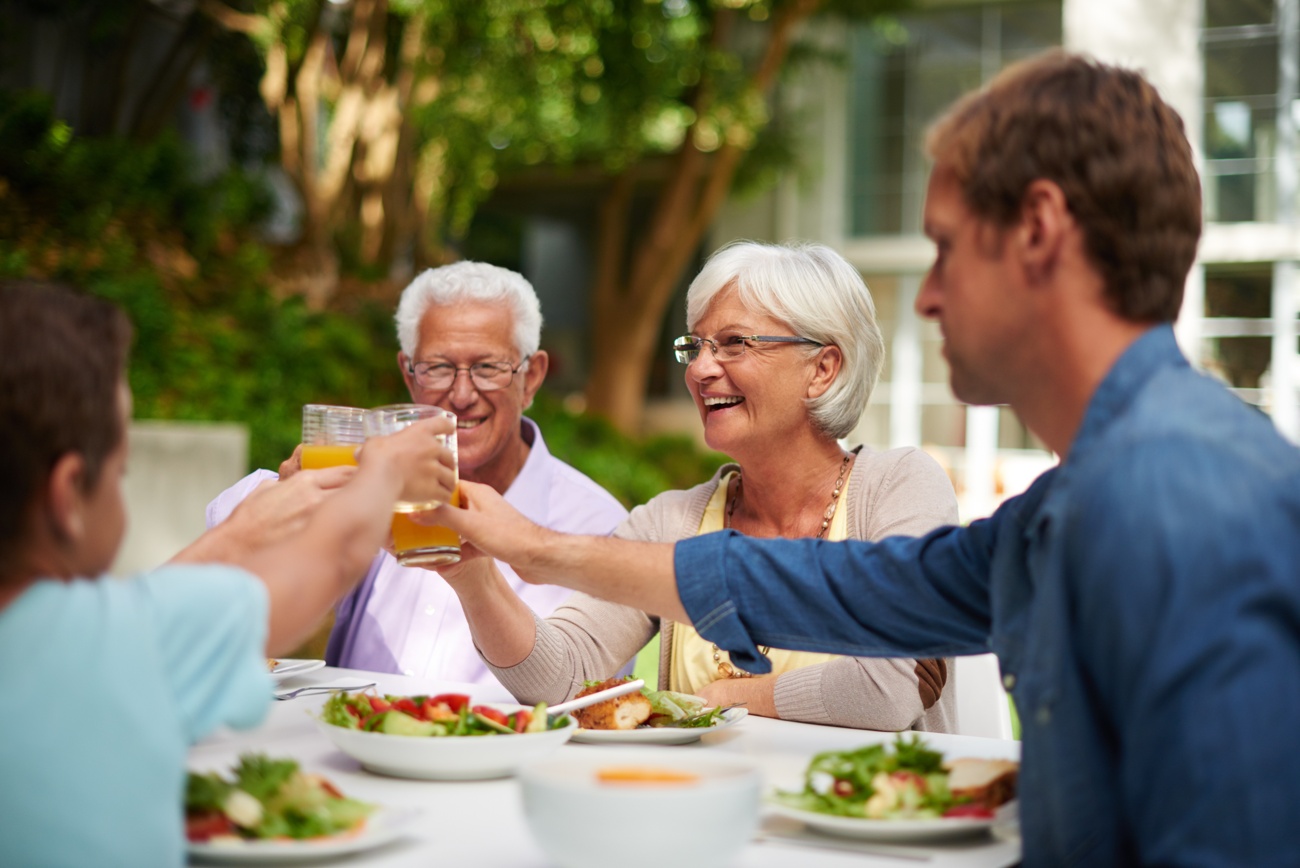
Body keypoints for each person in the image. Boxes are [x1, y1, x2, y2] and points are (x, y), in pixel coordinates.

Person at [431, 51, 1300, 866]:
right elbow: (833, 590)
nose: (926, 296)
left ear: (1038, 230)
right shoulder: (1076, 504)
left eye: (948, 248)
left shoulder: (1182, 501)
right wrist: (523, 550)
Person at [0, 280, 457, 867]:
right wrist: (386, 468)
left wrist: (236, 535)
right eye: (121, 470)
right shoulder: (114, 643)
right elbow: (335, 554)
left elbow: (149, 607)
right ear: (68, 497)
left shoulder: (107, 637)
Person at [439, 241, 959, 730]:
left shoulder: (900, 487)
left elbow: (896, 680)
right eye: (696, 346)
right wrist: (475, 579)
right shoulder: (669, 520)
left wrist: (735, 698)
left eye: (735, 344)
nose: (701, 370)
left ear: (822, 369)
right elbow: (564, 678)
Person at [206, 261, 627, 685]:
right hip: (351, 743)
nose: (461, 395)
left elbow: (593, 697)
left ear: (531, 377)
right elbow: (224, 571)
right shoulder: (373, 486)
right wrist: (290, 496)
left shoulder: (597, 526)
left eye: (487, 368)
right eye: (438, 368)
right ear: (409, 375)